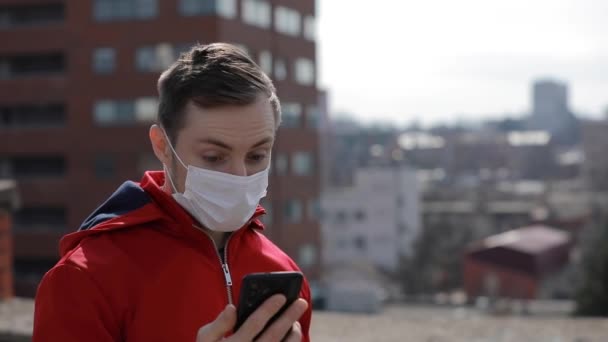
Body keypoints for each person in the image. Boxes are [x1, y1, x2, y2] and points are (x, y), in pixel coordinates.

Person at [33, 43, 312, 342]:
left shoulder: (282, 272)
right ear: (163, 146)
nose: (239, 176)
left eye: (257, 156)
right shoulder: (85, 278)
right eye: (214, 157)